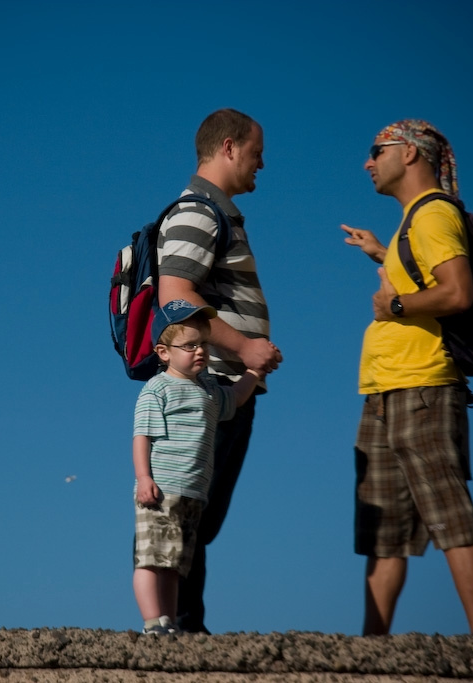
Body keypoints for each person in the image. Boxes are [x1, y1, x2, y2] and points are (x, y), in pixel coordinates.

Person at [340, 119, 473, 636]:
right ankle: (373, 652)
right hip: (386, 390)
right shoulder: (414, 221)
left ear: (409, 152)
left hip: (423, 387)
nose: (368, 162)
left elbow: (457, 293)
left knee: (450, 515)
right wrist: (383, 255)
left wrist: (395, 305)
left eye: (377, 149)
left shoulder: (433, 214)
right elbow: (425, 278)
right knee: (384, 534)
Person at [155, 108, 283, 633]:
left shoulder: (214, 214)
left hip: (225, 390)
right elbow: (175, 298)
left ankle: (185, 626)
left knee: (198, 515)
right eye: (256, 153)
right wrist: (246, 348)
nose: (261, 164)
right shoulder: (199, 212)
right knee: (189, 511)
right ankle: (180, 627)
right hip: (212, 389)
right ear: (228, 147)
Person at [132, 299, 261, 634]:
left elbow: (236, 398)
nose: (200, 350)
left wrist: (254, 372)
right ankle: (152, 621)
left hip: (193, 493)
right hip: (161, 490)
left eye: (203, 343)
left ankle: (170, 621)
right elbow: (142, 436)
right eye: (189, 345)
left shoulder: (209, 390)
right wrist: (144, 478)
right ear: (164, 353)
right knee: (150, 559)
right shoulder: (157, 389)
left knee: (174, 564)